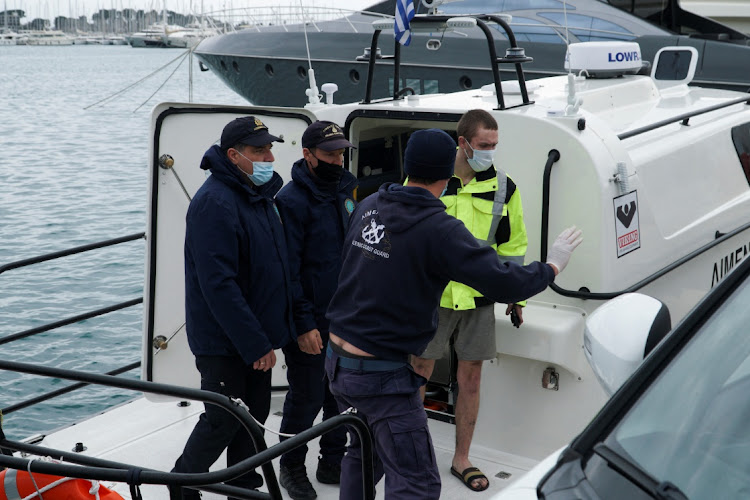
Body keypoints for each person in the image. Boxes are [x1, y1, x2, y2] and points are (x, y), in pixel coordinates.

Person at [323, 128, 583, 499]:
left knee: (363, 453)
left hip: (338, 364)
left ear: (407, 168)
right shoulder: (438, 228)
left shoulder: (369, 206)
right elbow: (504, 282)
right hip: (382, 378)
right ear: (447, 176)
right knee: (417, 482)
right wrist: (553, 266)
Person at [170, 116, 295, 500]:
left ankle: (242, 483)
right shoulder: (215, 203)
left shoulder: (255, 196)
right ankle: (181, 485)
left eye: (270, 148)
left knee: (253, 413)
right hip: (224, 340)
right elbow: (219, 285)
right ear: (234, 155)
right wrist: (255, 343)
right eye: (259, 151)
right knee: (223, 419)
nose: (270, 157)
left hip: (252, 334)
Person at [411, 109, 525, 492]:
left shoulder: (506, 187)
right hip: (432, 297)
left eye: (495, 145)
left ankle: (462, 458)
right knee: (417, 373)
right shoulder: (429, 180)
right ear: (463, 143)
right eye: (484, 146)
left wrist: (516, 295)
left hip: (479, 299)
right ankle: (413, 453)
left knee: (471, 379)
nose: (491, 152)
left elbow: (513, 245)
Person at [274, 121, 358, 500]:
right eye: (329, 154)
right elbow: (288, 270)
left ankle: (331, 460)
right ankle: (290, 466)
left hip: (346, 316)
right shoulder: (291, 201)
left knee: (339, 395)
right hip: (309, 318)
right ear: (307, 155)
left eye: (341, 153)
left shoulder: (346, 191)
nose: (337, 160)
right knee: (305, 396)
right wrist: (303, 324)